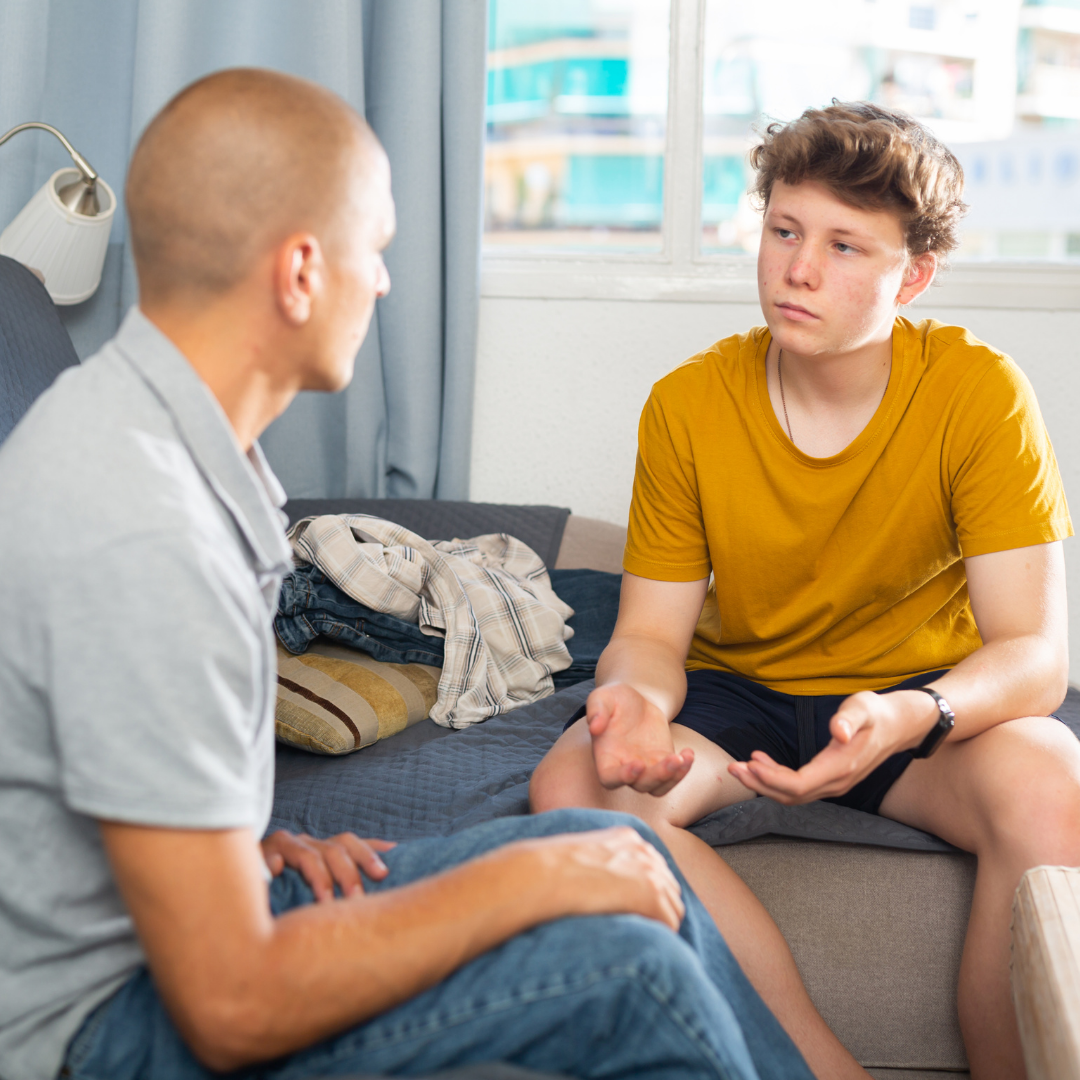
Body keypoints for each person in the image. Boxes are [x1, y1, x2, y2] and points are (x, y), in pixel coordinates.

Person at [0, 69, 815, 1080]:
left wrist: (231, 849)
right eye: (373, 252)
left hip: (179, 933)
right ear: (301, 272)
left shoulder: (186, 452)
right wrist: (544, 875)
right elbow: (228, 1007)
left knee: (638, 863)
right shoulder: (143, 525)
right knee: (627, 969)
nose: (382, 283)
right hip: (97, 1025)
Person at [530, 101, 1080, 1080]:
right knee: (574, 781)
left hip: (909, 703)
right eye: (784, 230)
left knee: (1052, 776)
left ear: (913, 274)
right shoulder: (689, 404)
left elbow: (1035, 655)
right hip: (737, 698)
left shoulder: (980, 395)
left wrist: (914, 714)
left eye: (844, 246)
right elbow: (652, 636)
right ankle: (826, 1071)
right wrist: (632, 703)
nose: (799, 269)